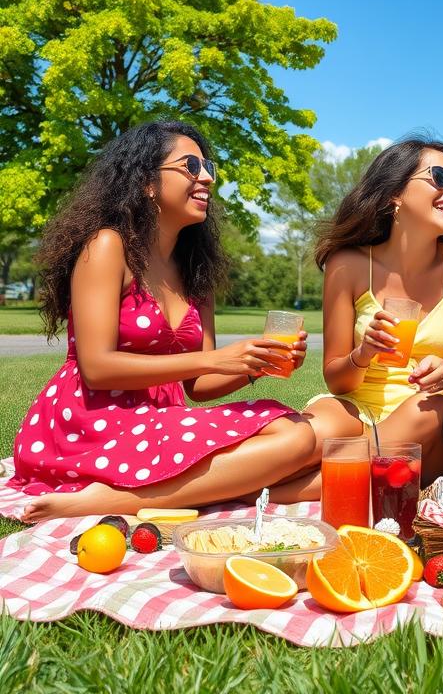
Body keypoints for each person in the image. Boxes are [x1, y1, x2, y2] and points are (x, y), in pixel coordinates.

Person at [9, 121, 318, 521]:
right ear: (147, 183)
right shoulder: (108, 246)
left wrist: (255, 362)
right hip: (89, 421)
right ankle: (114, 501)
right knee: (296, 441)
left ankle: (218, 490)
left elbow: (200, 387)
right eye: (191, 165)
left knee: (311, 436)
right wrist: (214, 359)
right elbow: (97, 367)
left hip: (158, 418)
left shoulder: (195, 270)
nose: (206, 177)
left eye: (209, 167)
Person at [304, 139, 443, 483]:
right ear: (395, 193)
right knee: (304, 433)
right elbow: (337, 380)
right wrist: (363, 353)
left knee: (427, 410)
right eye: (439, 177)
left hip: (427, 420)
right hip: (355, 407)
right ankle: (177, 491)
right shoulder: (347, 264)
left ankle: (281, 491)